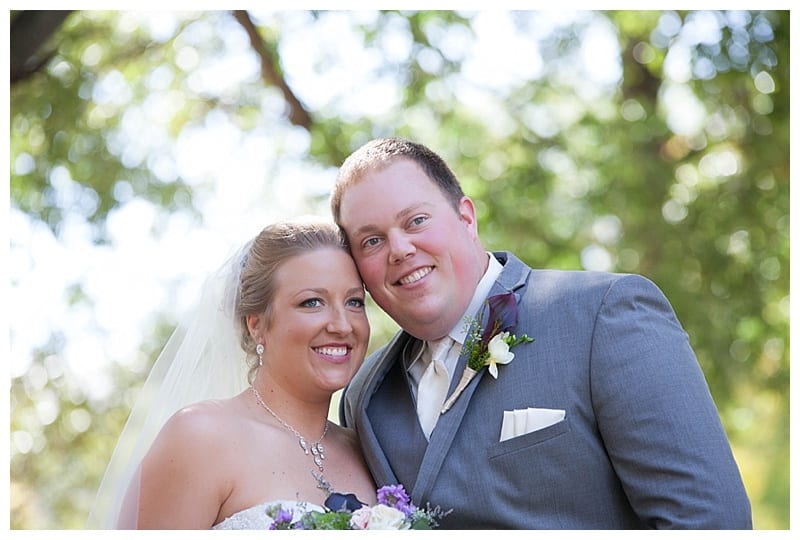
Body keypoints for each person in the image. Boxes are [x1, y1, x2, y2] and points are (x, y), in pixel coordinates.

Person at [331, 137, 752, 529]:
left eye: (417, 220)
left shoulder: (603, 315)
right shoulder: (364, 396)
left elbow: (709, 522)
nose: (400, 249)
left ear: (466, 218)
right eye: (371, 242)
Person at [86, 220, 376, 529]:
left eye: (354, 302)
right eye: (312, 302)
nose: (343, 325)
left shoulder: (367, 448)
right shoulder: (200, 436)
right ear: (257, 325)